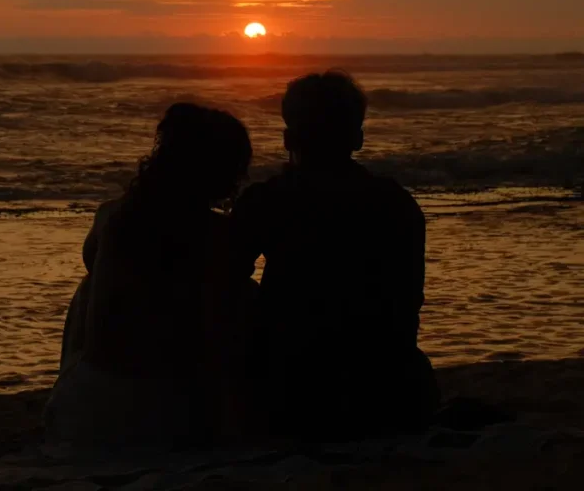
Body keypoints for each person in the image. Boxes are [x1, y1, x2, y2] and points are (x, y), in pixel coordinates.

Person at [231, 70, 438, 441]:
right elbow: (409, 301)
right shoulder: (395, 202)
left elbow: (221, 279)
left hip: (294, 386)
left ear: (288, 138)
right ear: (357, 139)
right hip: (393, 384)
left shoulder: (268, 201)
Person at [46, 103, 253, 447]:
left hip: (81, 408)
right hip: (158, 414)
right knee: (243, 293)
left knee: (88, 286)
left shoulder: (111, 215)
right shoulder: (216, 233)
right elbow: (214, 329)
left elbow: (93, 263)